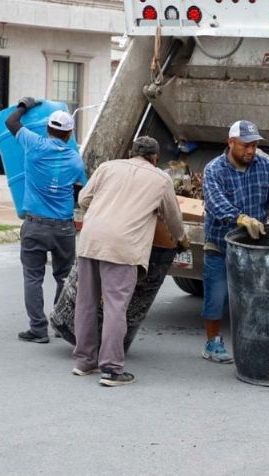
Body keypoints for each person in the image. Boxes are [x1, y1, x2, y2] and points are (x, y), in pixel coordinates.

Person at [73, 136, 189, 386]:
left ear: (131, 152)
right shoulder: (160, 178)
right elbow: (172, 216)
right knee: (116, 306)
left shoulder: (107, 167)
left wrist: (107, 208)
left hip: (91, 240)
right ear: (155, 157)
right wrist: (181, 239)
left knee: (86, 302)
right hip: (122, 247)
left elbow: (83, 199)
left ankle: (84, 361)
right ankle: (112, 369)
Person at [201, 120, 269, 363]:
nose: (250, 151)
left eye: (254, 145)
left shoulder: (263, 166)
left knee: (261, 295)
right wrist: (239, 218)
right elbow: (215, 203)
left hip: (254, 247)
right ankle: (212, 343)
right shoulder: (214, 170)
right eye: (246, 145)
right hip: (220, 245)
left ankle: (258, 339)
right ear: (231, 143)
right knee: (217, 296)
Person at [5, 97, 87, 344]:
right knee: (63, 277)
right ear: (69, 133)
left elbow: (11, 122)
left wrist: (24, 105)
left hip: (35, 225)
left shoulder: (34, 144)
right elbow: (78, 191)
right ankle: (60, 323)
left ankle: (38, 329)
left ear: (48, 128)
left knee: (33, 277)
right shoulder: (75, 160)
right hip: (63, 227)